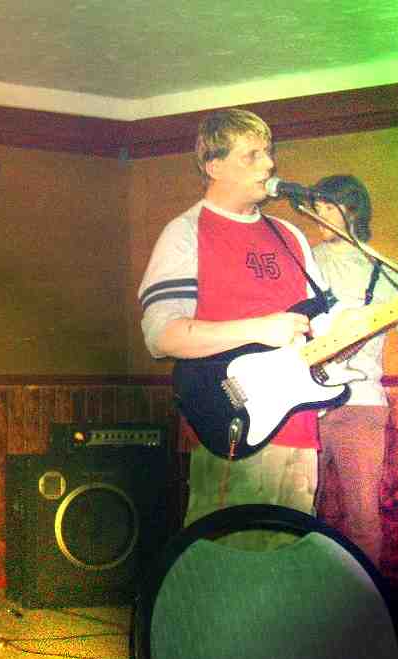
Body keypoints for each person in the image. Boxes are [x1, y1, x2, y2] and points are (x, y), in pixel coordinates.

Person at [137, 108, 325, 549]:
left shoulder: (289, 236)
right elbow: (161, 336)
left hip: (299, 430)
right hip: (233, 429)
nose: (269, 165)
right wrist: (260, 328)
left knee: (288, 568)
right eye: (252, 155)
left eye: (269, 153)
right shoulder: (185, 232)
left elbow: (320, 325)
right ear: (213, 165)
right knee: (225, 568)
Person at [309, 175, 398, 567]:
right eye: (317, 206)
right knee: (307, 515)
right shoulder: (305, 259)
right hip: (301, 405)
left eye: (327, 206)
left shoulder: (384, 270)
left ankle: (364, 611)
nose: (318, 214)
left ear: (352, 209)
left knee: (363, 519)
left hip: (361, 405)